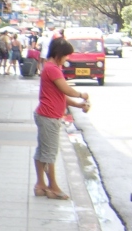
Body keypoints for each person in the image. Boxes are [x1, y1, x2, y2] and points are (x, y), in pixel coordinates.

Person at [34, 37, 90, 200]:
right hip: (49, 116)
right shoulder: (52, 69)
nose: (66, 59)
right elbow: (66, 90)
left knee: (42, 152)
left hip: (47, 114)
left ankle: (40, 185)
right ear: (59, 54)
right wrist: (81, 95)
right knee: (50, 153)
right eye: (66, 56)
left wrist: (78, 105)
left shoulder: (50, 67)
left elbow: (60, 95)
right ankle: (53, 187)